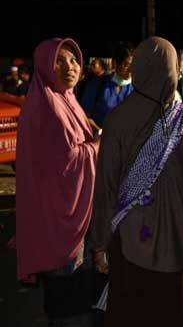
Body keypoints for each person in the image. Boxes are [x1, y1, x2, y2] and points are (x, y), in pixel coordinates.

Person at [88, 37, 183, 326]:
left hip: (131, 246)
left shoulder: (117, 119)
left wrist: (99, 243)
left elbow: (106, 189)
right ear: (173, 70)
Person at [16, 38, 99, 326]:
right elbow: (69, 162)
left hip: (64, 210)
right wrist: (98, 146)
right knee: (70, 298)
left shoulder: (66, 98)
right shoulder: (49, 103)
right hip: (59, 216)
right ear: (44, 66)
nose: (69, 67)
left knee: (72, 295)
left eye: (74, 60)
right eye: (59, 61)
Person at [83, 43, 134, 128]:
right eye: (126, 65)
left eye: (133, 65)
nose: (130, 70)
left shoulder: (137, 89)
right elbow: (84, 114)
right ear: (115, 63)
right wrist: (99, 133)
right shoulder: (98, 83)